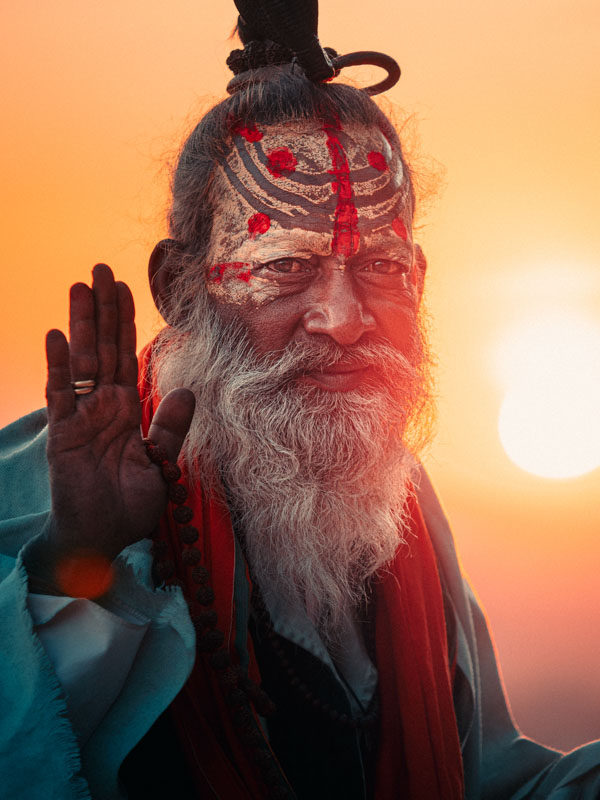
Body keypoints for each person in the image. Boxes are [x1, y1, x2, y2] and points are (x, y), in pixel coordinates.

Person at [1, 4, 600, 799]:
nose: (346, 321)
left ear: (418, 278)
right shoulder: (50, 489)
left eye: (381, 268)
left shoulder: (399, 499)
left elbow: (486, 779)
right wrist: (80, 561)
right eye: (285, 267)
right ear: (179, 287)